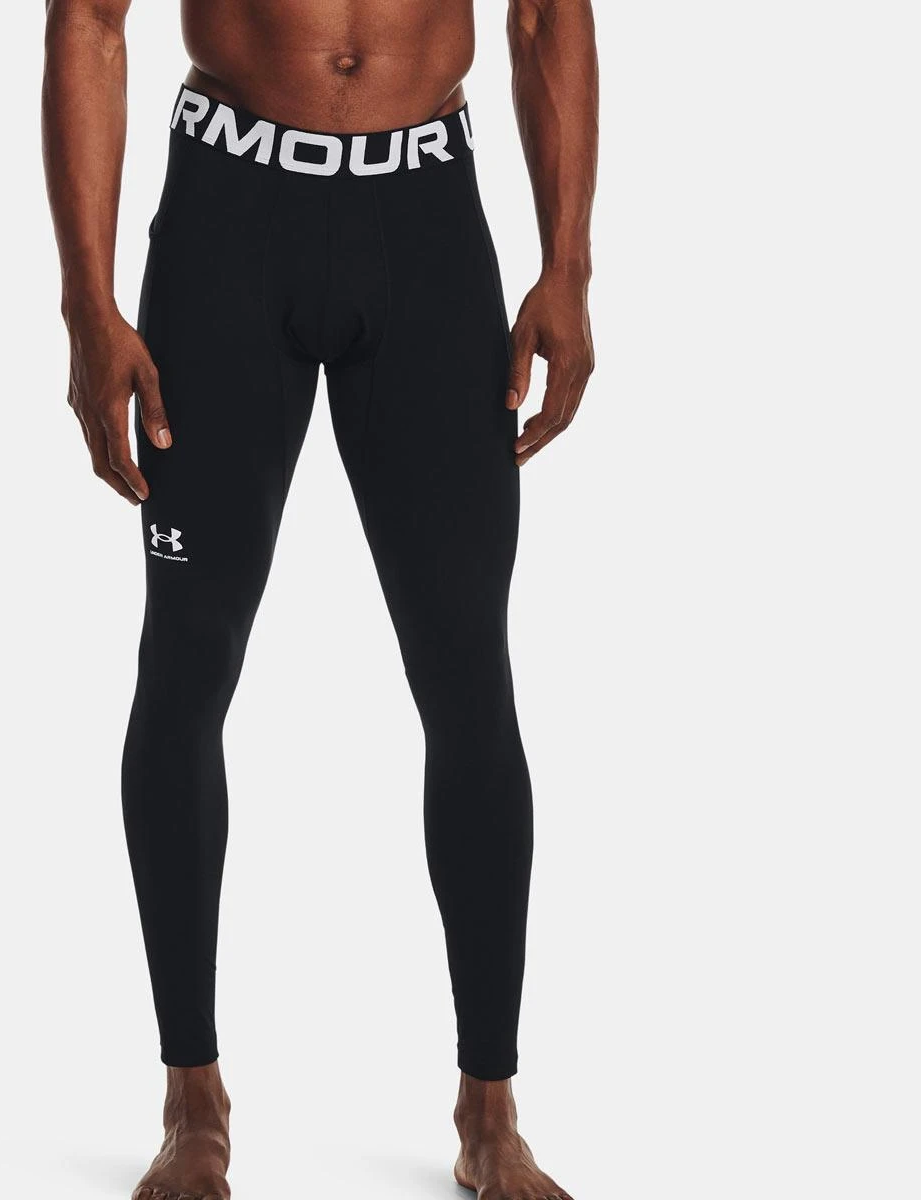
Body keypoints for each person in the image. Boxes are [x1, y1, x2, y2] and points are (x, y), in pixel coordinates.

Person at [42, 2, 597, 1197]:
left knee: (468, 673)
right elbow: (87, 18)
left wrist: (569, 264)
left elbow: (548, 12)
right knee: (187, 662)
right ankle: (193, 1099)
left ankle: (490, 1110)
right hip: (230, 221)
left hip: (426, 220)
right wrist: (88, 302)